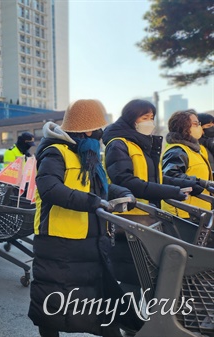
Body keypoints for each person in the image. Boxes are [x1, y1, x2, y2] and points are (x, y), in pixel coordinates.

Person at [28, 99, 139, 337]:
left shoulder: (86, 154)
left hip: (90, 239)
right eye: (99, 127)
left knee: (99, 300)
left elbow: (103, 187)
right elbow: (49, 189)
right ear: (88, 129)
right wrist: (92, 202)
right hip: (59, 241)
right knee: (53, 300)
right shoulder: (55, 153)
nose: (101, 133)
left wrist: (125, 194)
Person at [102, 99, 193, 334]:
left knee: (145, 278)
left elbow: (154, 180)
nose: (150, 121)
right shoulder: (119, 144)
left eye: (152, 116)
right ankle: (127, 325)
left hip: (147, 219)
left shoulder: (142, 145)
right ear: (132, 118)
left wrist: (179, 188)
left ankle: (138, 324)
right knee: (131, 278)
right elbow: (125, 181)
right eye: (145, 117)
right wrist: (169, 192)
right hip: (127, 222)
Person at [161, 109, 214, 218]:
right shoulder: (177, 151)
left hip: (198, 212)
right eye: (195, 124)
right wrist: (200, 183)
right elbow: (170, 176)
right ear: (183, 127)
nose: (199, 127)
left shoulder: (194, 151)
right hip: (182, 213)